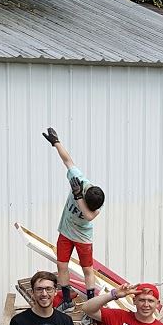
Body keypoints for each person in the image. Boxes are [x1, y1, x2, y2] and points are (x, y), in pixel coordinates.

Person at [43, 127, 105, 310]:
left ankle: (92, 303)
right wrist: (56, 143)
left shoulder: (96, 205)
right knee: (61, 264)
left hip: (83, 238)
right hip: (66, 231)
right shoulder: (80, 181)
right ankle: (67, 300)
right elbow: (68, 161)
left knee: (87, 270)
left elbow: (88, 215)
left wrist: (77, 197)